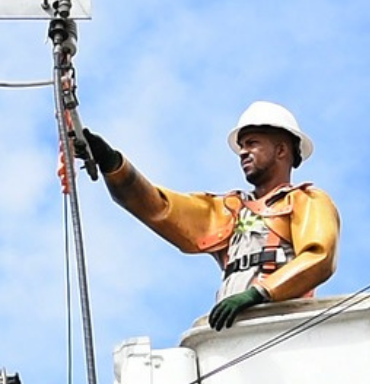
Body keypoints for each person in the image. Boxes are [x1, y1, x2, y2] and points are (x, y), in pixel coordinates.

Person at [80, 101, 340, 331]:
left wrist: (260, 293)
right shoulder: (230, 209)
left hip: (281, 322)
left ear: (281, 150)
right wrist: (111, 162)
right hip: (232, 326)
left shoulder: (307, 201)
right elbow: (159, 208)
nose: (243, 153)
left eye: (253, 143)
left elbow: (319, 255)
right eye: (241, 146)